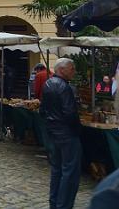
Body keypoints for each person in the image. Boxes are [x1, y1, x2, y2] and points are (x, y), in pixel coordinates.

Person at [41, 58, 82, 209]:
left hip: (53, 132)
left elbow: (42, 110)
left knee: (57, 170)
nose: (74, 71)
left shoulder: (47, 83)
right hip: (66, 133)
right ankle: (64, 205)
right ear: (62, 70)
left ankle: (54, 203)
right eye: (72, 69)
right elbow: (70, 113)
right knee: (69, 172)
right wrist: (77, 130)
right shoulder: (64, 87)